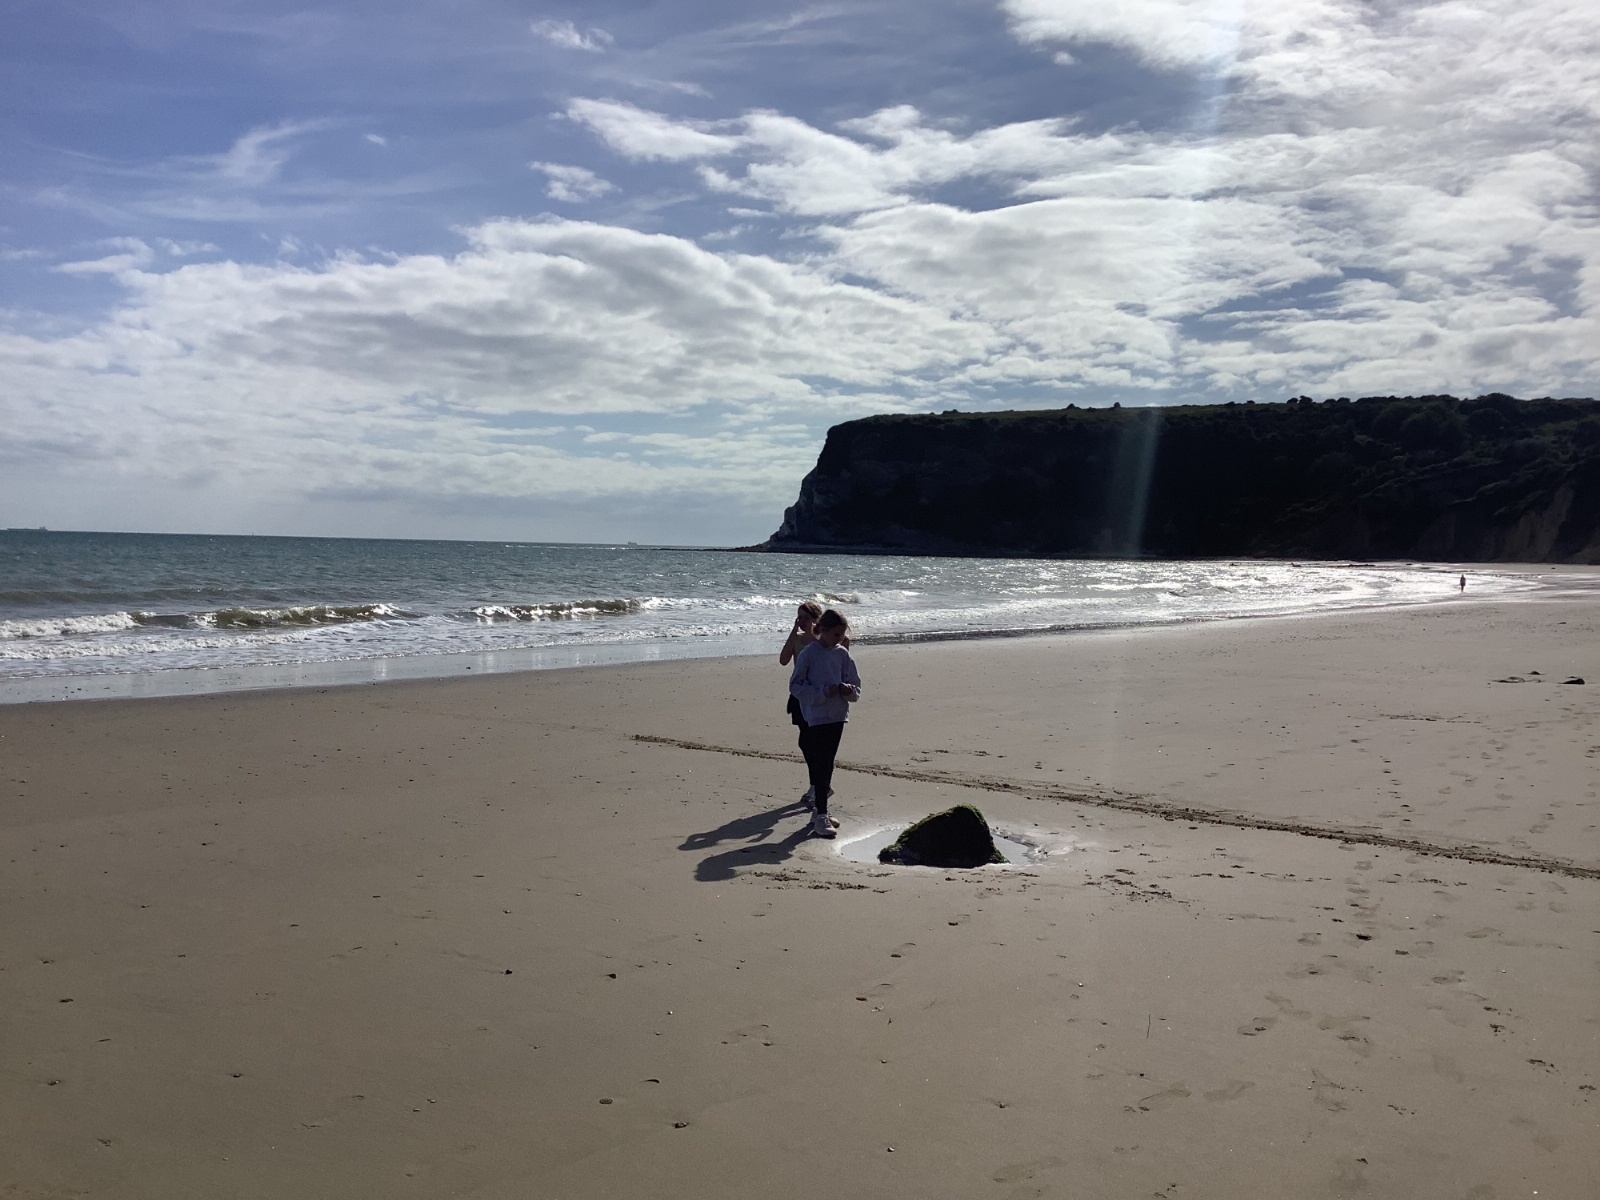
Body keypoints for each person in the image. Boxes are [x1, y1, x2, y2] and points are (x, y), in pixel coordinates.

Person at [788, 609, 861, 839]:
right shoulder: (809, 653)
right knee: (821, 763)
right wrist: (822, 693)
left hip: (838, 715)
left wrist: (848, 690)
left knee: (828, 763)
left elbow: (855, 685)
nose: (840, 639)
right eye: (836, 634)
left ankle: (821, 810)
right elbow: (795, 686)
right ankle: (821, 814)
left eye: (842, 634)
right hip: (816, 716)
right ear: (823, 630)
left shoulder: (842, 654)